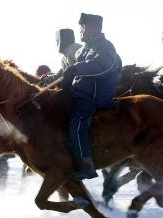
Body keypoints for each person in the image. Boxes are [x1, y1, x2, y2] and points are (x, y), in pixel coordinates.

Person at [59, 13, 122, 180]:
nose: (80, 30)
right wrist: (57, 78)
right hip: (80, 92)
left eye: (83, 26)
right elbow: (72, 70)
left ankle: (86, 165)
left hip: (95, 94)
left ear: (93, 28)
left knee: (77, 123)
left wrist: (77, 69)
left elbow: (102, 67)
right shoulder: (85, 49)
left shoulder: (106, 47)